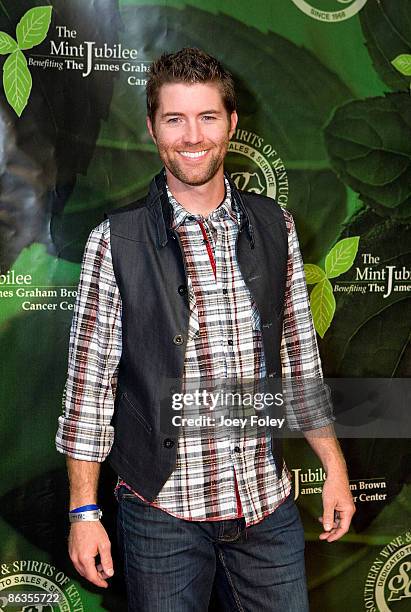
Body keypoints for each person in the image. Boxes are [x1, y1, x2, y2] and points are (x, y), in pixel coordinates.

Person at [55, 47, 355, 612]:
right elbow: (88, 392)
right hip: (163, 512)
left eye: (207, 117)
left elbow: (299, 359)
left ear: (232, 124)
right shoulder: (114, 242)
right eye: (174, 119)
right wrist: (84, 512)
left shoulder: (274, 226)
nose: (192, 136)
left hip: (266, 508)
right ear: (152, 129)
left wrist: (333, 468)